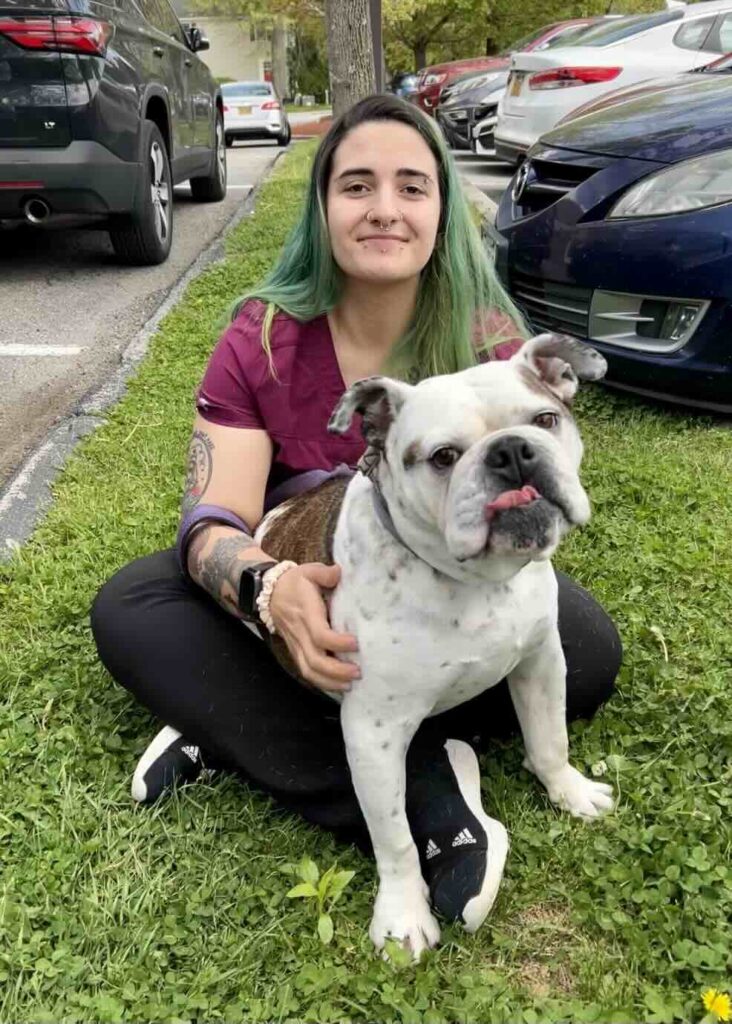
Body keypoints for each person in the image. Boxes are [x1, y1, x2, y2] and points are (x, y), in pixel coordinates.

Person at [91, 94, 621, 934]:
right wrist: (269, 594)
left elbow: (515, 492)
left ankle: (220, 719)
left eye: (413, 186)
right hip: (299, 567)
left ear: (442, 208)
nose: (384, 208)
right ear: (322, 206)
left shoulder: (488, 336)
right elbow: (214, 517)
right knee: (131, 606)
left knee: (586, 649)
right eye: (357, 185)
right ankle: (431, 805)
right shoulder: (261, 338)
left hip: (442, 586)